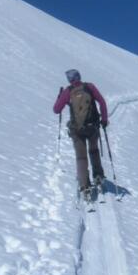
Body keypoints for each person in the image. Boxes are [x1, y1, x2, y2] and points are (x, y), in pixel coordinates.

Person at [53, 69, 109, 198]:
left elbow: (56, 110)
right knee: (94, 151)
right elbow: (102, 102)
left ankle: (84, 186)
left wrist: (60, 98)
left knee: (81, 157)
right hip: (92, 126)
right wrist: (104, 120)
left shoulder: (68, 92)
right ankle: (98, 176)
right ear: (79, 76)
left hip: (77, 129)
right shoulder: (89, 87)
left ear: (69, 80)